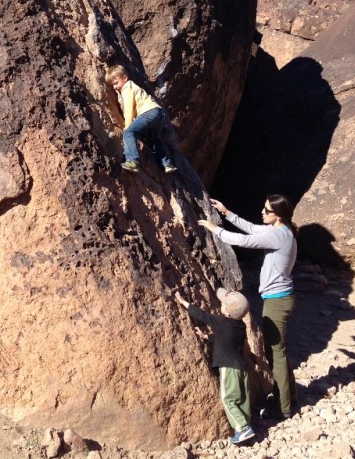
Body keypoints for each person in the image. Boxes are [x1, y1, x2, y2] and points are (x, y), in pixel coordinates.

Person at [198, 195, 298, 419]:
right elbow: (252, 229)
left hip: (277, 302)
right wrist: (226, 212)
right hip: (280, 299)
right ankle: (291, 397)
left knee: (276, 354)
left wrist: (215, 229)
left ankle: (283, 407)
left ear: (278, 215)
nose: (262, 212)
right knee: (279, 351)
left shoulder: (278, 236)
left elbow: (244, 241)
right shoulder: (281, 231)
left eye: (266, 210)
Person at [174, 287, 255, 445]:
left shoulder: (221, 321)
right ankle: (244, 426)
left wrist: (184, 302)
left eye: (224, 304)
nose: (221, 305)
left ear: (228, 312)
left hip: (228, 367)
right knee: (241, 399)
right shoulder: (241, 326)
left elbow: (202, 316)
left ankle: (244, 429)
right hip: (241, 368)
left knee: (228, 399)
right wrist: (207, 337)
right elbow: (225, 339)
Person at [105, 64, 176, 174]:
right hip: (158, 113)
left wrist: (127, 125)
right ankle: (166, 164)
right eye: (112, 85)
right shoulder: (133, 87)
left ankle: (132, 161)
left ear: (125, 77)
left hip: (148, 112)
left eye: (116, 83)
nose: (115, 87)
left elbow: (128, 106)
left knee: (129, 132)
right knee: (154, 139)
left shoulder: (127, 87)